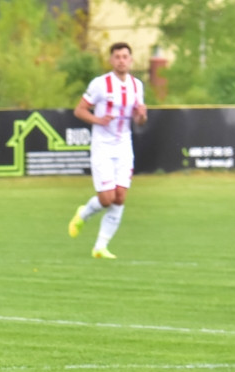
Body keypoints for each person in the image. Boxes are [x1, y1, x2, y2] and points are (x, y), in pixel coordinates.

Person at [67, 42, 147, 259]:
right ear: (111, 60)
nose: (122, 60)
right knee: (106, 199)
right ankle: (83, 213)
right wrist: (99, 120)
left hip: (124, 146)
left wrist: (141, 114)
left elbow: (139, 121)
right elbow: (79, 110)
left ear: (131, 60)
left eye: (125, 56)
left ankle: (100, 247)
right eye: (117, 56)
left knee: (120, 198)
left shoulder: (137, 86)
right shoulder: (100, 84)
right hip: (102, 146)